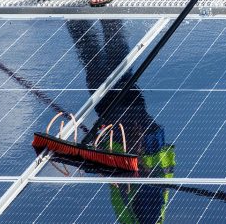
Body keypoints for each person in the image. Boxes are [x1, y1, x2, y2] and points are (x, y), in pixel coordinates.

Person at [65, 20, 175, 222]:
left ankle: (103, 20)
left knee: (110, 75)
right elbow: (148, 182)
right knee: (106, 74)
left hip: (125, 143)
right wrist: (136, 152)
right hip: (135, 142)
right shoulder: (149, 220)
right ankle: (86, 20)